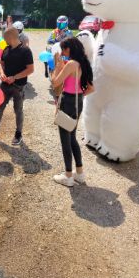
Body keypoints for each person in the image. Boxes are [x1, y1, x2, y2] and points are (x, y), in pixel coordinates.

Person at [51, 37, 93, 187]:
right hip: (77, 102)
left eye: (64, 49)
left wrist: (57, 66)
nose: (62, 52)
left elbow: (55, 82)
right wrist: (79, 96)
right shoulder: (83, 63)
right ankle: (79, 173)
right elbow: (91, 88)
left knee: (65, 140)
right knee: (72, 137)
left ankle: (68, 175)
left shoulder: (71, 64)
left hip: (68, 102)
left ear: (70, 49)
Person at [0, 27, 34, 146]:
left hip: (18, 87)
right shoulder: (6, 49)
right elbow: (1, 64)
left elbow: (30, 69)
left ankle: (18, 134)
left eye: (5, 37)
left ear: (10, 37)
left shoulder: (26, 51)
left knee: (18, 110)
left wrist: (14, 77)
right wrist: (2, 73)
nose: (4, 39)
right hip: (5, 86)